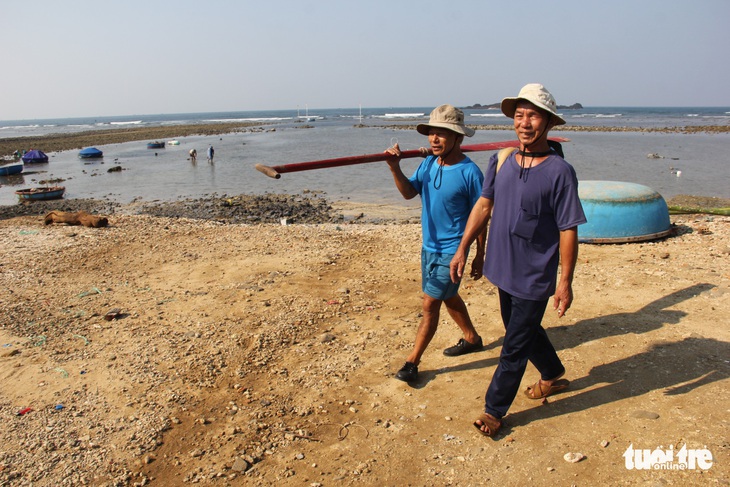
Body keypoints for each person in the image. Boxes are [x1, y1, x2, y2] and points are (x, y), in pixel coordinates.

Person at [449, 84, 587, 437]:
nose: (525, 123)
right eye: (520, 115)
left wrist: (565, 280)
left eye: (534, 115)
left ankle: (494, 410)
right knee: (519, 329)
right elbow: (484, 205)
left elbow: (568, 229)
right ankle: (554, 375)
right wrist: (464, 246)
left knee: (514, 344)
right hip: (503, 265)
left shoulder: (559, 172)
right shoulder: (502, 159)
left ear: (549, 122)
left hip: (534, 272)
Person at [384, 104, 487, 383]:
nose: (434, 139)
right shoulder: (428, 163)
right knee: (448, 295)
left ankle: (412, 363)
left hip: (453, 251)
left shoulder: (470, 173)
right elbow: (408, 193)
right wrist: (395, 167)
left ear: (459, 138)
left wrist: (478, 254)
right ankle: (472, 337)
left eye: (443, 134)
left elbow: (482, 215)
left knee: (431, 304)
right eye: (432, 133)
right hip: (428, 248)